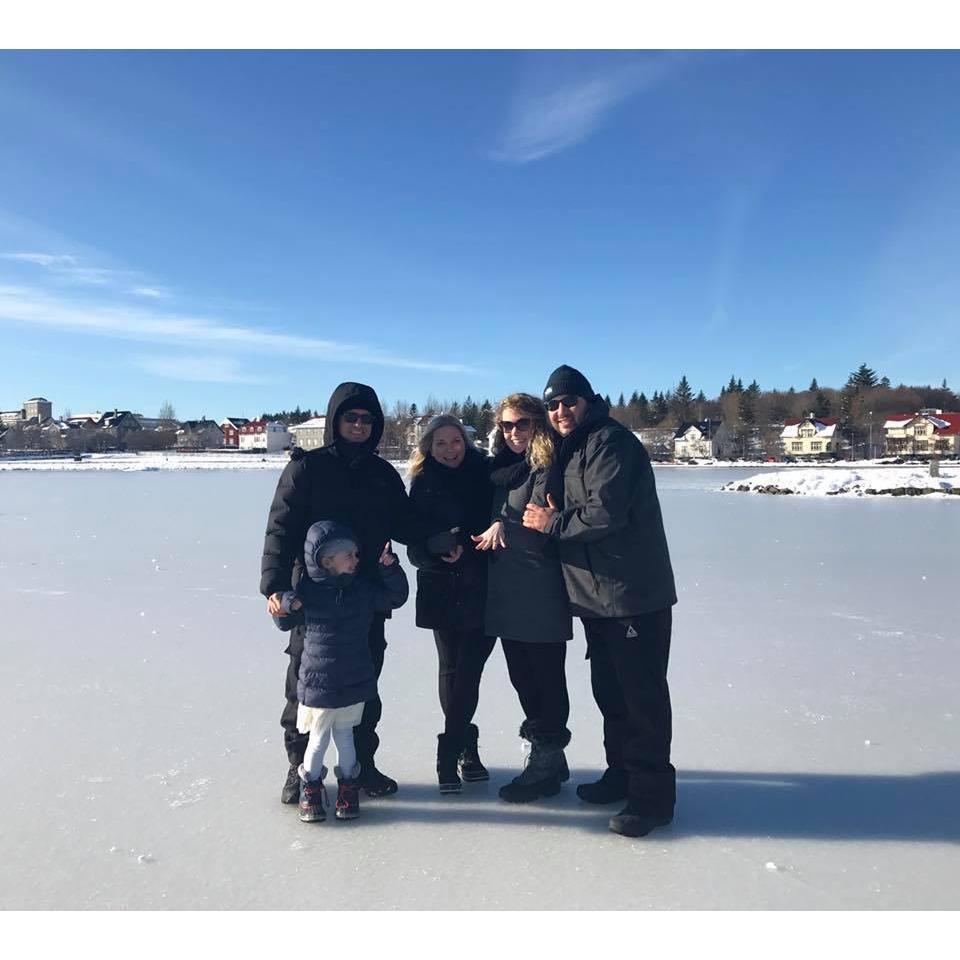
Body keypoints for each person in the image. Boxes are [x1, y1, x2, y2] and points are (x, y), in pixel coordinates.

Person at [522, 365, 678, 838]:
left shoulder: (611, 442)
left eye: (569, 401)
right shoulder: (572, 448)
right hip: (597, 598)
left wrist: (550, 522)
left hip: (631, 596)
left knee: (641, 699)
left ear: (588, 401)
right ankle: (622, 775)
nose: (561, 411)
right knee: (611, 694)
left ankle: (652, 799)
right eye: (553, 405)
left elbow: (604, 512)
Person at [261, 382, 435, 804]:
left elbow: (405, 522)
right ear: (336, 420)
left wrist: (439, 539)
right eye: (350, 417)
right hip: (314, 598)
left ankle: (362, 767)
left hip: (365, 596)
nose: (359, 425)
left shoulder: (381, 474)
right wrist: (275, 586)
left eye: (366, 419)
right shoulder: (306, 468)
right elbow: (280, 530)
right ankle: (299, 768)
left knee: (364, 683)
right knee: (305, 686)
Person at [472, 393, 574, 802]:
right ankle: (549, 758)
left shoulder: (547, 467)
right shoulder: (505, 469)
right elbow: (506, 511)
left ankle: (546, 764)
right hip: (508, 594)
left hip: (539, 592)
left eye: (523, 424)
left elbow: (539, 523)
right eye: (507, 425)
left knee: (544, 681)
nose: (514, 433)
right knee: (524, 679)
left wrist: (503, 528)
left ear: (539, 425)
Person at [272, 521, 409, 822]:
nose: (356, 560)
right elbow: (285, 621)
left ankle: (348, 787)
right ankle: (310, 785)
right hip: (318, 683)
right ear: (326, 560)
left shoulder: (361, 590)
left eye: (356, 554)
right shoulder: (306, 592)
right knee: (318, 739)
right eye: (349, 555)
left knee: (346, 738)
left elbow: (394, 598)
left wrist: (389, 568)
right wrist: (281, 603)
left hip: (352, 679)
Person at [406, 415, 496, 794]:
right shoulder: (422, 483)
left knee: (470, 669)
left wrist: (470, 552)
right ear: (429, 447)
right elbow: (411, 544)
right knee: (451, 668)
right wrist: (432, 548)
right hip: (441, 587)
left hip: (482, 586)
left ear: (466, 442)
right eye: (440, 443)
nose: (449, 449)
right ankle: (466, 745)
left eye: (455, 441)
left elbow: (499, 525)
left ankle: (448, 750)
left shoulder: (488, 475)